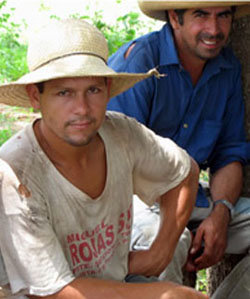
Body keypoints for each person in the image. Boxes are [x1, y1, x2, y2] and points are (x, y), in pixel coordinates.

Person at [0, 18, 208, 299]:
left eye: (93, 90)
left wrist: (161, 250)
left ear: (108, 89)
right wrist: (162, 293)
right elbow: (55, 291)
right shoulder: (16, 173)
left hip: (114, 285)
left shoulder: (121, 132)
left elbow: (184, 172)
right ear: (35, 96)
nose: (82, 109)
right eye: (64, 93)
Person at [107, 0, 250, 279]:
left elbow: (229, 153)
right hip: (134, 203)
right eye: (201, 15)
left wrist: (221, 213)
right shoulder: (141, 61)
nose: (214, 29)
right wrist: (175, 225)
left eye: (223, 16)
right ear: (175, 17)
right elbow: (115, 163)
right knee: (167, 244)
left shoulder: (227, 67)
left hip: (194, 197)